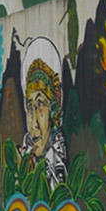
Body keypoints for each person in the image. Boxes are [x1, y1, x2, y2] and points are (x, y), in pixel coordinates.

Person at [20, 36, 68, 188]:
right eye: (29, 107)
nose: (33, 123)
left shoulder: (60, 164)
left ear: (54, 109)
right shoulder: (22, 164)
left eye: (40, 105)